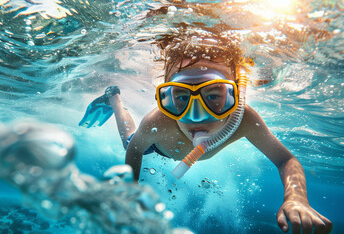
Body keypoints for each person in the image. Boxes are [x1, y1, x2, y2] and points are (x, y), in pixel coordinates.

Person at [79, 30, 333, 233]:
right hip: (158, 145)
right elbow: (135, 150)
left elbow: (285, 159)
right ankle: (114, 98)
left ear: (235, 95)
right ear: (166, 97)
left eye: (213, 96)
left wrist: (296, 197)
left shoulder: (243, 118)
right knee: (129, 141)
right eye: (180, 97)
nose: (196, 116)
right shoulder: (159, 120)